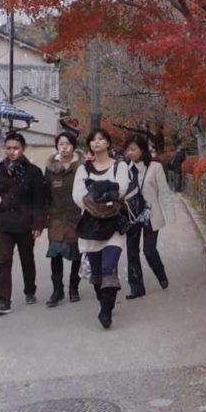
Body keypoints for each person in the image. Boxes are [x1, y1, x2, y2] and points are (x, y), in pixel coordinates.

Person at [0, 131, 47, 315]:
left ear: (23, 149)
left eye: (16, 148)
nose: (12, 152)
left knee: (27, 259)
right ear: (5, 149)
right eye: (9, 148)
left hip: (26, 223)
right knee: (3, 261)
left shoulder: (34, 172)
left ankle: (30, 290)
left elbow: (39, 200)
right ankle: (3, 301)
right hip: (4, 223)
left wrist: (38, 224)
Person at [72, 128, 129, 328]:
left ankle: (106, 311)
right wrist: (99, 200)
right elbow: (78, 195)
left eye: (101, 139)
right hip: (90, 226)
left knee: (108, 267)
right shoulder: (83, 169)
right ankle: (104, 301)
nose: (97, 142)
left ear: (108, 143)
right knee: (96, 273)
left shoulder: (119, 167)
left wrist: (96, 194)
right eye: (93, 140)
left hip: (113, 224)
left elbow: (120, 190)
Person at [123, 133, 176, 300]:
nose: (130, 153)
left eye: (133, 149)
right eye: (128, 150)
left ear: (142, 150)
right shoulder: (124, 169)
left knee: (149, 250)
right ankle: (136, 287)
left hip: (150, 215)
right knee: (132, 252)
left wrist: (170, 215)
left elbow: (164, 192)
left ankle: (161, 274)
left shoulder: (155, 168)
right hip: (131, 216)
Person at [43, 132, 84, 306]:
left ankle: (73, 287)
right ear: (57, 147)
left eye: (67, 143)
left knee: (76, 254)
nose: (64, 147)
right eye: (61, 144)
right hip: (57, 216)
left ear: (73, 146)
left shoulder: (82, 167)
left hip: (77, 216)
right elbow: (45, 193)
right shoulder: (51, 168)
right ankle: (57, 290)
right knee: (55, 253)